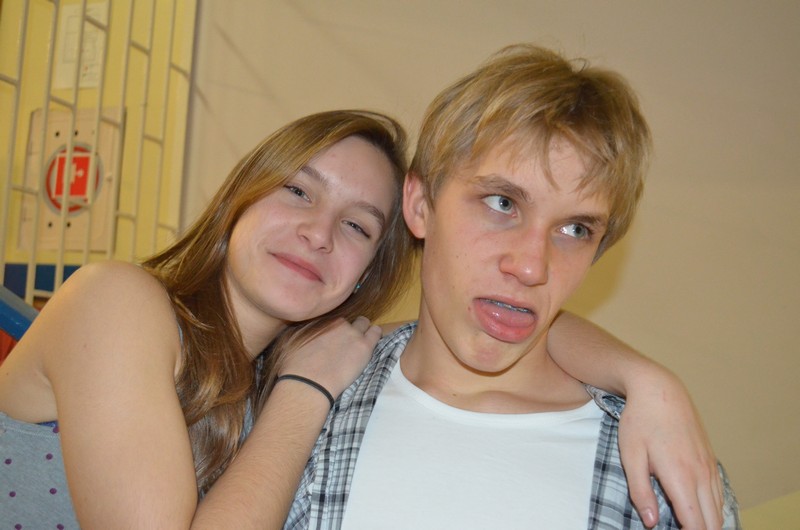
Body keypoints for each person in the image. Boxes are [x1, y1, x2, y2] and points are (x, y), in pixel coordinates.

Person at [0, 110, 723, 528]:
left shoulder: (301, 364)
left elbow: (507, 311)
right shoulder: (116, 300)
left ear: (368, 271)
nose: (318, 233)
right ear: (239, 197)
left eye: (356, 225)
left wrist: (646, 380)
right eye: (298, 191)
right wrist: (303, 396)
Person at [282, 46, 741, 530]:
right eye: (502, 203)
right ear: (419, 205)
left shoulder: (663, 473)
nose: (530, 266)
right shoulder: (307, 403)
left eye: (575, 230)